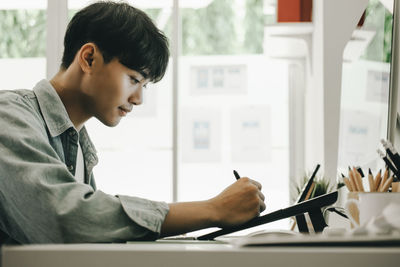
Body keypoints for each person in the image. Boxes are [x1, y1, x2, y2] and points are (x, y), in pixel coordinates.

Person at [0, 1, 265, 244]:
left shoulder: (78, 146)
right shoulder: (8, 115)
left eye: (145, 85)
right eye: (134, 79)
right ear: (89, 58)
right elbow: (68, 218)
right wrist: (212, 209)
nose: (138, 99)